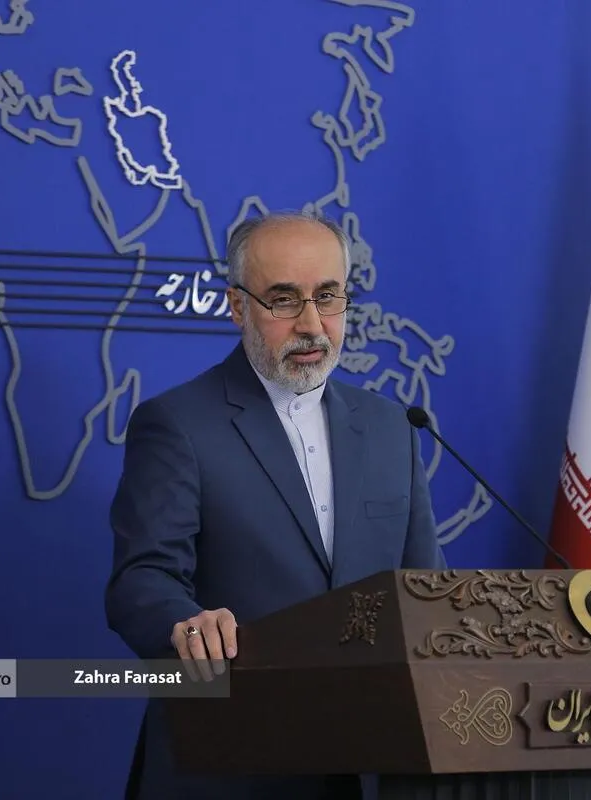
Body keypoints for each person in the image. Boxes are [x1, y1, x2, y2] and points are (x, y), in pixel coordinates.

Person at [105, 211, 446, 800]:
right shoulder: (178, 424)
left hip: (373, 762)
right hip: (230, 757)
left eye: (328, 297)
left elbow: (425, 589)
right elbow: (142, 578)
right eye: (284, 300)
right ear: (238, 307)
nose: (312, 325)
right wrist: (185, 625)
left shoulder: (393, 427)